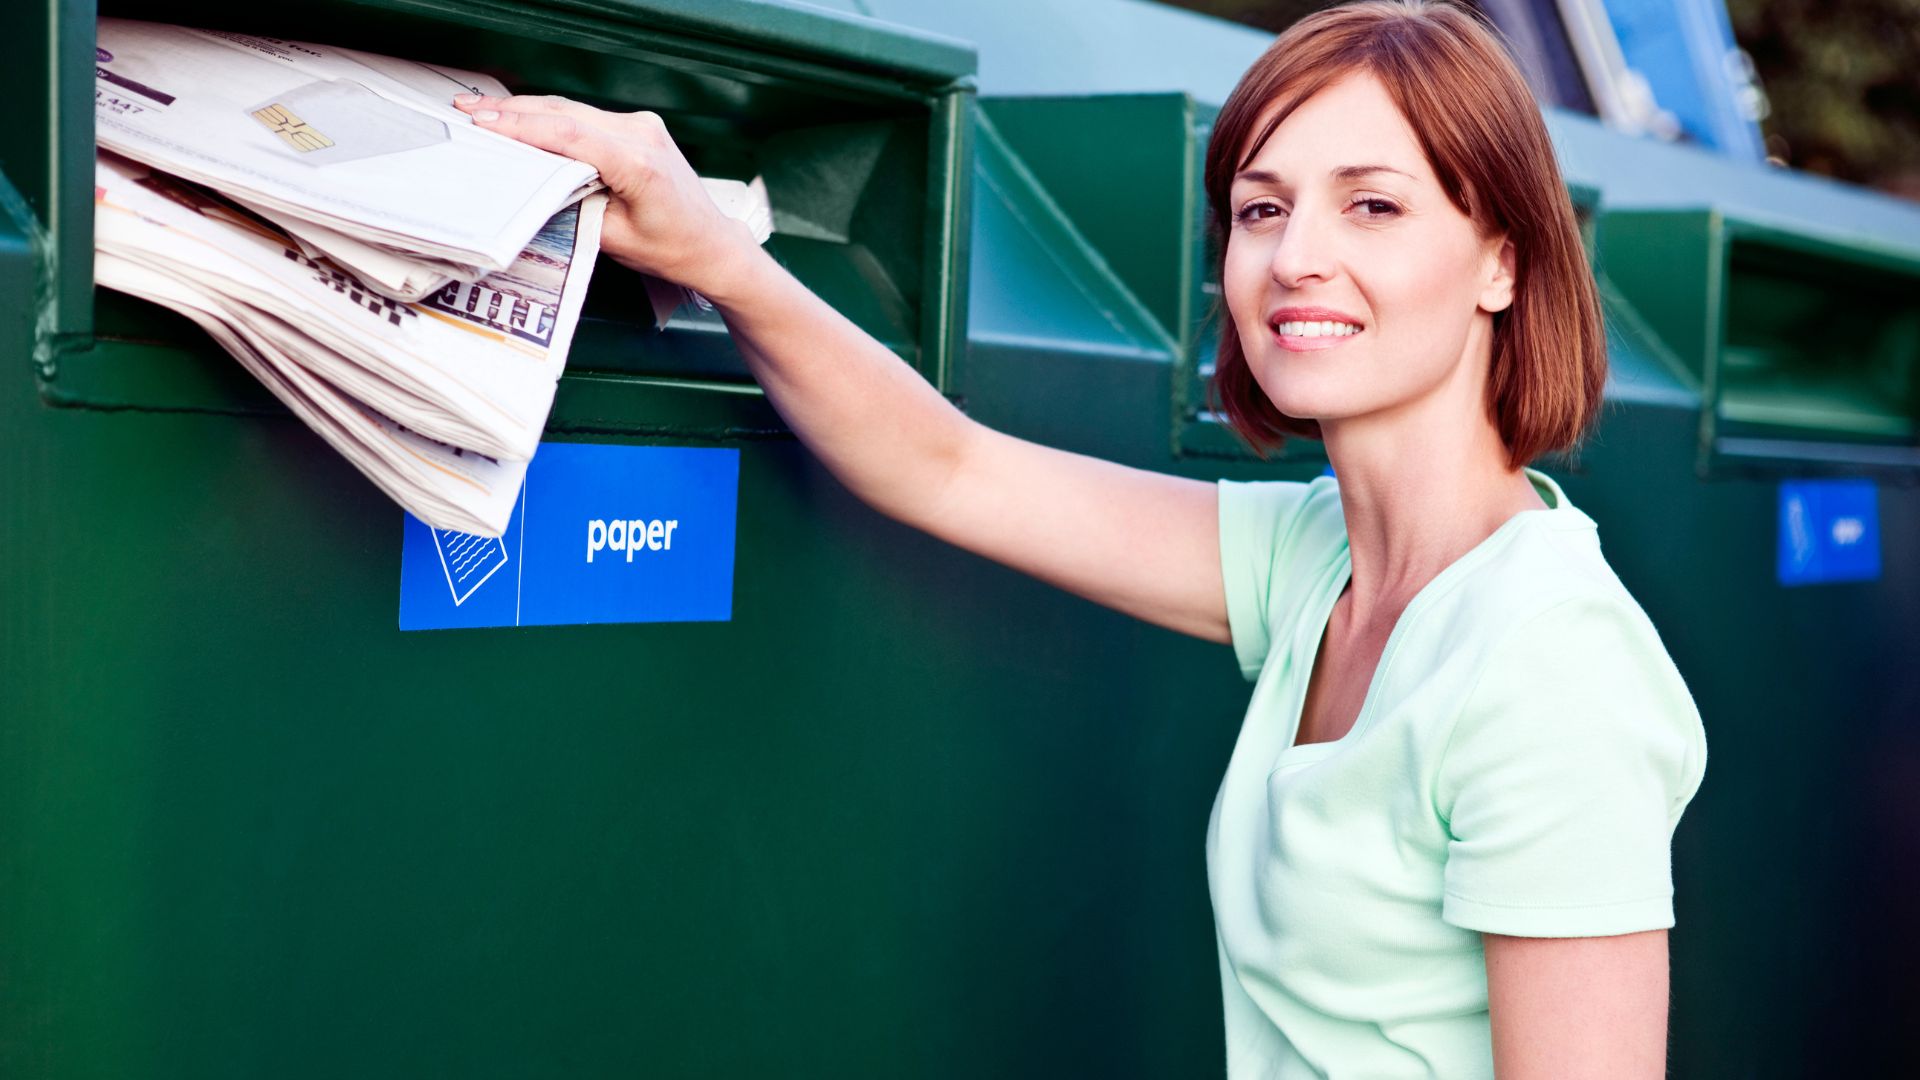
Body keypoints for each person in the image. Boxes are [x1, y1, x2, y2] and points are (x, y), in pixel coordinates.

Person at [454, 0, 1708, 1074]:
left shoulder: (1547, 666)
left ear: (1500, 259)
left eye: (1372, 206)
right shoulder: (1319, 561)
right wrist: (719, 257)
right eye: (1261, 210)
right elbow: (949, 467)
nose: (1296, 258)